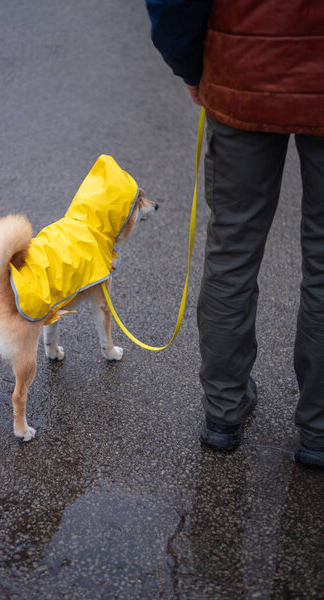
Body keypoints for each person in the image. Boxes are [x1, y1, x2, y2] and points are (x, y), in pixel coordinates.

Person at [145, 0, 324, 467]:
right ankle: (319, 428)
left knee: (232, 252)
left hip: (243, 71)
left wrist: (189, 63)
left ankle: (223, 412)